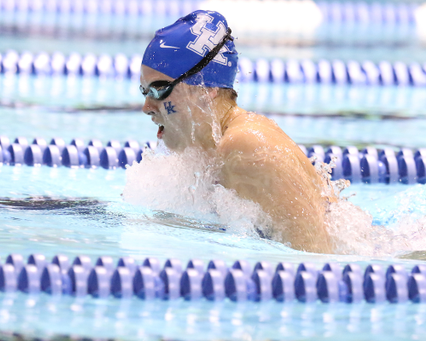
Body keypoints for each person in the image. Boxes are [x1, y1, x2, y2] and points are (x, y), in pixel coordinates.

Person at [139, 10, 336, 253]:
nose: (147, 107)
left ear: (204, 88)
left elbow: (315, 258)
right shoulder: (212, 150)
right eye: (144, 91)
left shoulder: (246, 147)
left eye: (158, 89)